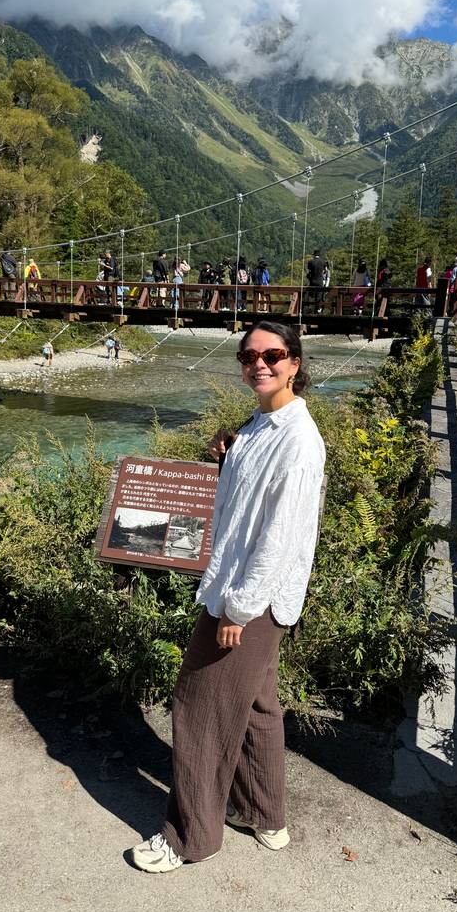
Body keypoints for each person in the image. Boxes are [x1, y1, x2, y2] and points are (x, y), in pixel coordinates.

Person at [130, 321, 325, 873]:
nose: (258, 364)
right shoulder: (261, 424)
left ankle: (191, 837)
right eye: (249, 356)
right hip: (241, 588)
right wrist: (228, 452)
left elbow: (279, 538)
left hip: (250, 599)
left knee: (199, 706)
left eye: (273, 355)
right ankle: (265, 815)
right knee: (258, 705)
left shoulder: (299, 442)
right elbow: (246, 502)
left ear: (294, 363)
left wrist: (238, 610)